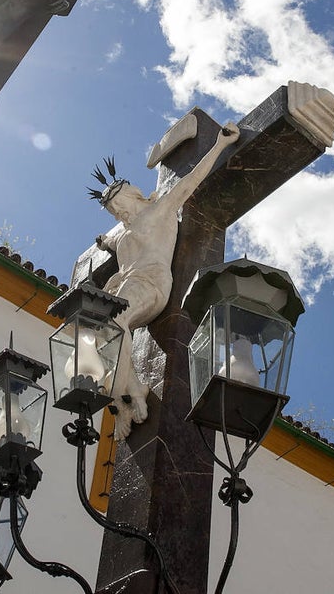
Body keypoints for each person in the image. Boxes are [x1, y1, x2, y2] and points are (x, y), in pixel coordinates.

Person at [92, 122, 241, 439]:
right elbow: (111, 242)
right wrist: (105, 244)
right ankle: (128, 394)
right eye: (114, 212)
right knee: (100, 335)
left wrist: (219, 146)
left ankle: (129, 390)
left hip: (151, 281)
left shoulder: (159, 210)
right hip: (128, 285)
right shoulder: (124, 234)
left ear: (132, 197)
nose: (118, 215)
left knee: (113, 324)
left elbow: (190, 182)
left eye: (119, 207)